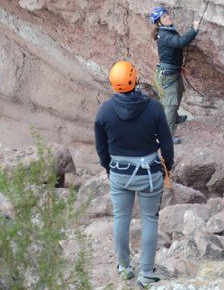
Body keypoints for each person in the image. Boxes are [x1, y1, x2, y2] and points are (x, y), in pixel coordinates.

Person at [94, 60, 174, 287]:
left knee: (122, 218)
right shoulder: (154, 108)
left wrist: (108, 167)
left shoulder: (105, 111)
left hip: (119, 172)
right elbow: (167, 143)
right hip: (148, 172)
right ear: (135, 79)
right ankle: (147, 272)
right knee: (149, 219)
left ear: (113, 84)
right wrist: (167, 165)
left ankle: (124, 266)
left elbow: (101, 147)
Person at [149, 6, 199, 144]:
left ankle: (175, 118)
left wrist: (178, 66)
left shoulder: (165, 30)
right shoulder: (164, 35)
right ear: (158, 23)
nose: (168, 17)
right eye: (164, 17)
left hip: (172, 71)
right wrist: (194, 30)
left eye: (167, 15)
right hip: (168, 74)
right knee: (171, 104)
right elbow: (180, 42)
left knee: (177, 94)